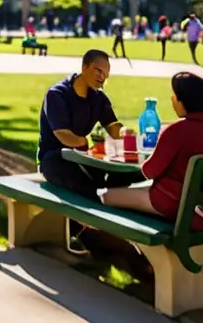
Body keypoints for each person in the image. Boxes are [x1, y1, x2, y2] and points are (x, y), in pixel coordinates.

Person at [38, 49, 151, 272]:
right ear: (84, 68)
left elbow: (112, 126)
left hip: (84, 159)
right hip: (55, 159)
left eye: (106, 74)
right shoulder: (57, 95)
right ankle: (105, 241)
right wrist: (86, 143)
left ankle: (100, 234)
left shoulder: (98, 98)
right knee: (91, 191)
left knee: (123, 176)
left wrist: (126, 133)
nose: (102, 77)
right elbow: (63, 134)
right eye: (98, 71)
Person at [102, 72, 203, 231]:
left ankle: (116, 247)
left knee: (104, 196)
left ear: (183, 101)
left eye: (174, 96)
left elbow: (149, 171)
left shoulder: (177, 131)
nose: (172, 100)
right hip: (197, 208)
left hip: (171, 203)